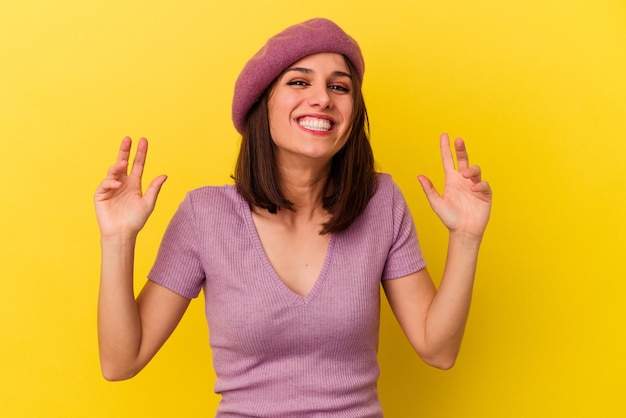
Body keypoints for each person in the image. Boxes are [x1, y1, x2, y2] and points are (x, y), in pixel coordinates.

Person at [95, 18, 492, 417]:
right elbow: (121, 362)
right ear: (261, 104)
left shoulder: (380, 201)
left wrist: (466, 237)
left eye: (339, 87)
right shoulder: (204, 215)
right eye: (299, 82)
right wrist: (117, 240)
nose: (322, 98)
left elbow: (437, 349)